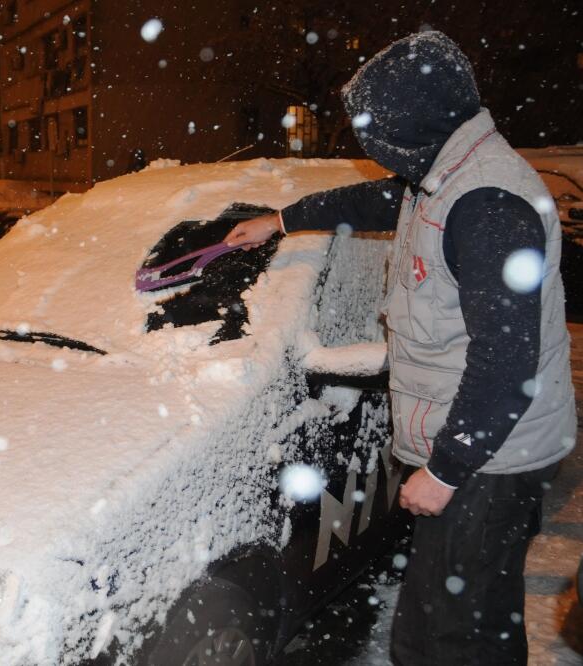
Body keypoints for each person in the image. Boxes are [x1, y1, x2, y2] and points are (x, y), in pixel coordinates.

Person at [224, 31, 576, 665]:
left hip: (489, 461)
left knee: (456, 637)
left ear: (416, 126)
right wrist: (282, 218)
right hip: (477, 450)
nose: (374, 151)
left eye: (376, 134)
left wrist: (445, 472)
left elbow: (506, 363)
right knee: (452, 623)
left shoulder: (489, 205)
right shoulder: (442, 174)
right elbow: (374, 198)